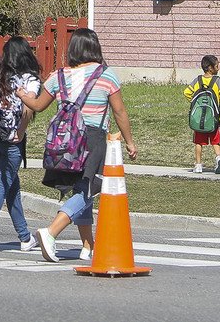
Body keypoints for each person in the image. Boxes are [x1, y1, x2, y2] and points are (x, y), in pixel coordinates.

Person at [18, 27, 138, 263]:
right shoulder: (106, 74)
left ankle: (88, 246)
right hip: (92, 138)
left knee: (81, 189)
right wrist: (130, 142)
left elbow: (39, 106)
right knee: (89, 189)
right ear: (95, 47)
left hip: (65, 141)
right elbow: (119, 111)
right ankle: (51, 232)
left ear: (73, 49)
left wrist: (23, 96)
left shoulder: (58, 75)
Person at [0, 35, 42, 250]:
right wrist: (22, 131)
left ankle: (25, 237)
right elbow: (29, 106)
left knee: (11, 187)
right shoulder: (30, 79)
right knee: (1, 187)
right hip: (12, 140)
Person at [183, 54, 220, 174]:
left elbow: (187, 92)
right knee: (215, 141)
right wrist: (219, 102)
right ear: (210, 68)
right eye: (217, 66)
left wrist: (194, 103)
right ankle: (218, 158)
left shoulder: (197, 80)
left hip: (199, 119)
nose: (218, 69)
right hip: (214, 117)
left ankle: (198, 165)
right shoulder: (217, 80)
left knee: (199, 142)